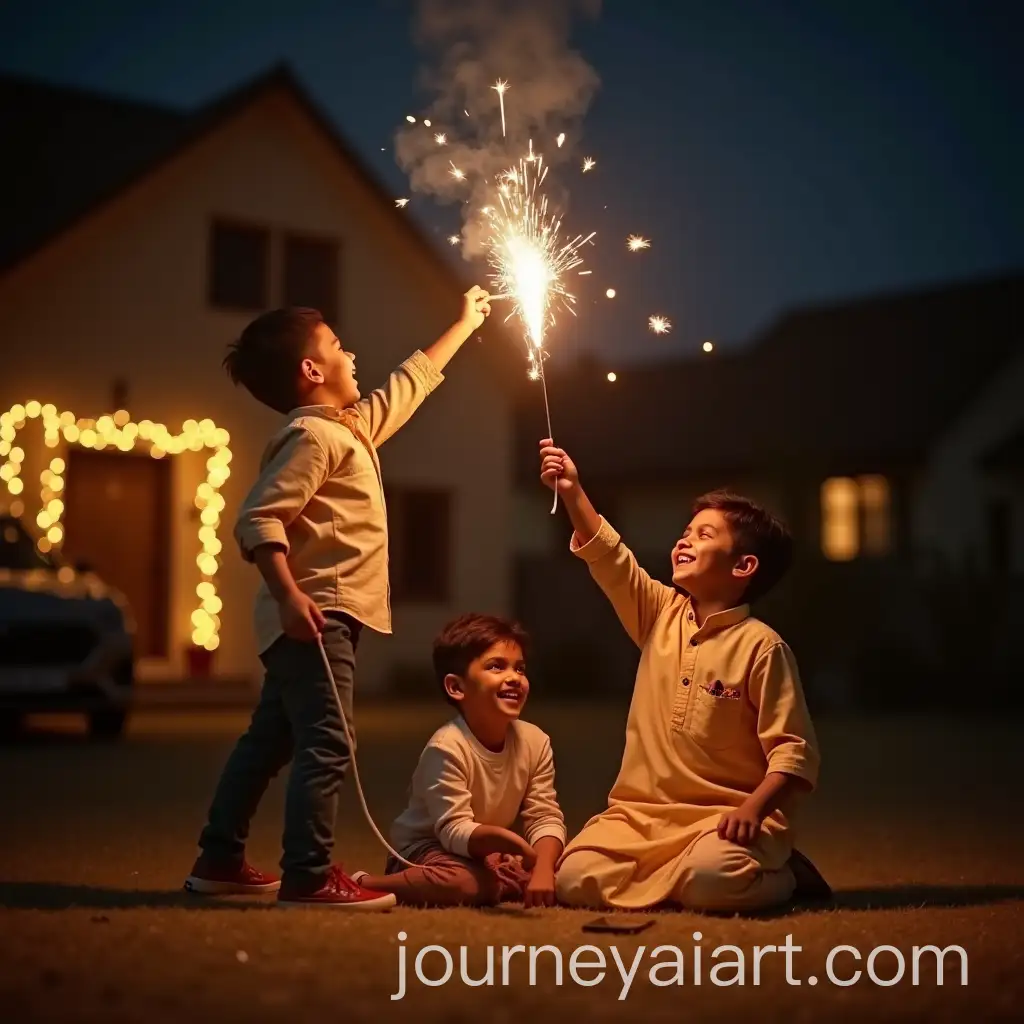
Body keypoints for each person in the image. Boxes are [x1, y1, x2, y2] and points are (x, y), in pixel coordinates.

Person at [183, 286, 492, 908]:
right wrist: (292, 596)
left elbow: (412, 383)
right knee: (328, 740)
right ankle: (308, 874)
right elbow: (259, 520)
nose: (352, 354)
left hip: (318, 615)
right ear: (312, 370)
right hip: (316, 615)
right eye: (338, 346)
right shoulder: (314, 438)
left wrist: (463, 324)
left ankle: (219, 860)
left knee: (270, 739)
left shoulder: (348, 430)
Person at [538, 439, 829, 912]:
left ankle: (787, 877)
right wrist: (571, 490)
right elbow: (610, 559)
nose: (684, 540)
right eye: (686, 531)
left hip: (724, 820)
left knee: (713, 880)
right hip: (638, 819)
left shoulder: (761, 646)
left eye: (704, 535)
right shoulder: (658, 615)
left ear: (744, 566)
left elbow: (793, 752)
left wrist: (752, 811)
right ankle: (683, 880)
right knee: (574, 878)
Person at [352, 613, 566, 907]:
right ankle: (369, 884)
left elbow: (544, 815)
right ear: (456, 687)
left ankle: (497, 878)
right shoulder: (447, 747)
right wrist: (509, 844)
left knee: (564, 870)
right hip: (426, 849)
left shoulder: (535, 742)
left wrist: (542, 869)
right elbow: (454, 831)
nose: (514, 678)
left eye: (520, 668)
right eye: (496, 666)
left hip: (485, 850)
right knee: (464, 883)